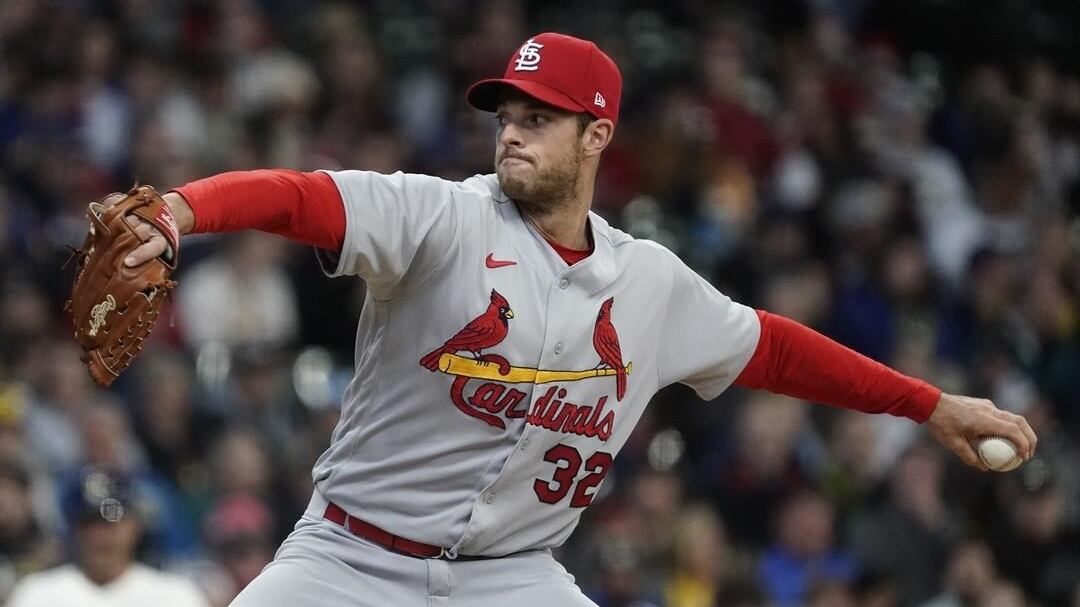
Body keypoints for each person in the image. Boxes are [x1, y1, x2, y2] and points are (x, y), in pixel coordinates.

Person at [110, 32, 1036, 606]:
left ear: (597, 135)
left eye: (540, 117)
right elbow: (299, 196)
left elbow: (778, 351)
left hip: (512, 575)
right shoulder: (439, 216)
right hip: (349, 558)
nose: (512, 131)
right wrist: (184, 210)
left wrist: (928, 404)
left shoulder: (650, 283)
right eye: (506, 113)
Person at [7, 465, 208, 607]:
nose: (99, 535)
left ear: (135, 526)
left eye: (110, 523)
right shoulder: (36, 595)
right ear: (73, 529)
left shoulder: (175, 596)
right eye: (89, 524)